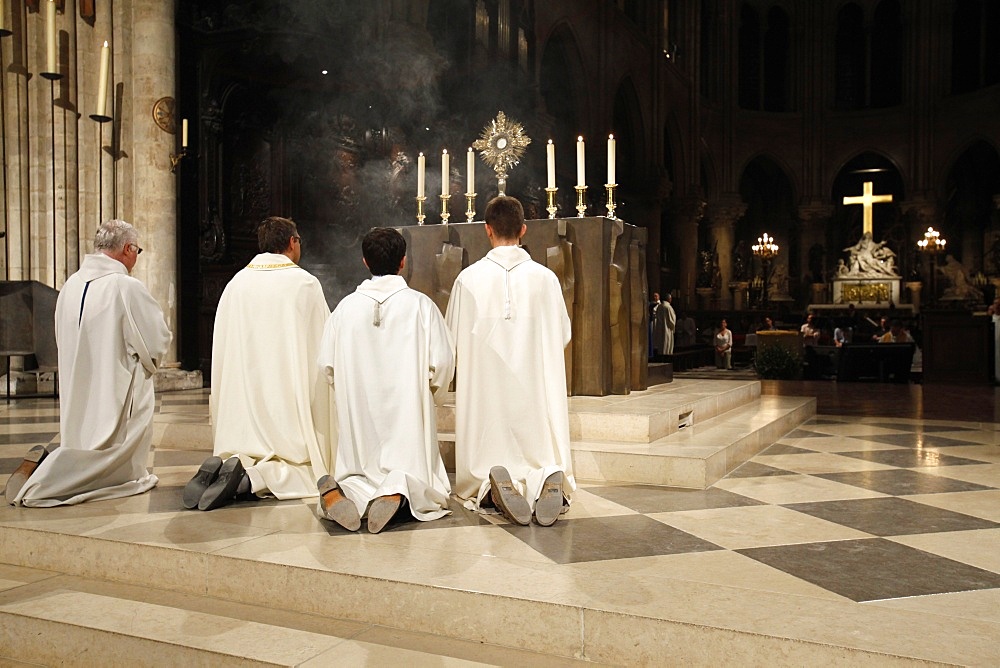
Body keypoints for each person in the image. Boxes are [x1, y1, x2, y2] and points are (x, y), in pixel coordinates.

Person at [5, 219, 171, 507]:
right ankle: (46, 477)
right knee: (114, 458)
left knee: (82, 440)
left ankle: (49, 466)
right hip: (117, 387)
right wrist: (150, 360)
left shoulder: (71, 285)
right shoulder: (125, 287)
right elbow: (156, 340)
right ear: (128, 249)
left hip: (77, 385)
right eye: (137, 250)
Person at [186, 216, 333, 511]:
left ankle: (235, 462)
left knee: (244, 447)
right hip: (285, 395)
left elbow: (223, 345)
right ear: (292, 242)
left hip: (243, 397)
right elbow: (323, 341)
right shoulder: (304, 283)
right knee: (299, 467)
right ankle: (253, 479)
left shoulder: (236, 283)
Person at [445, 195, 575, 527]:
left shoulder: (468, 279)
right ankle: (544, 476)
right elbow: (562, 334)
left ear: (487, 230)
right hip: (532, 387)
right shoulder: (545, 279)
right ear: (524, 230)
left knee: (488, 452)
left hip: (486, 389)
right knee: (539, 447)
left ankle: (491, 485)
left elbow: (452, 340)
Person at [315, 228, 455, 533]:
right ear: (403, 262)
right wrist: (430, 393)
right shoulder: (421, 306)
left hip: (360, 414)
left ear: (365, 261)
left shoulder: (344, 310)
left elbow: (326, 366)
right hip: (407, 412)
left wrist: (349, 390)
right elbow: (443, 362)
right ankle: (396, 491)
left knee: (357, 473)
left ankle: (344, 492)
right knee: (411, 474)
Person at [651, 292, 676, 357]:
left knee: (661, 344)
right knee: (667, 344)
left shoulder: (659, 306)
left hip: (660, 328)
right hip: (667, 329)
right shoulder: (668, 307)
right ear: (669, 299)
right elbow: (672, 320)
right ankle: (667, 357)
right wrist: (673, 327)